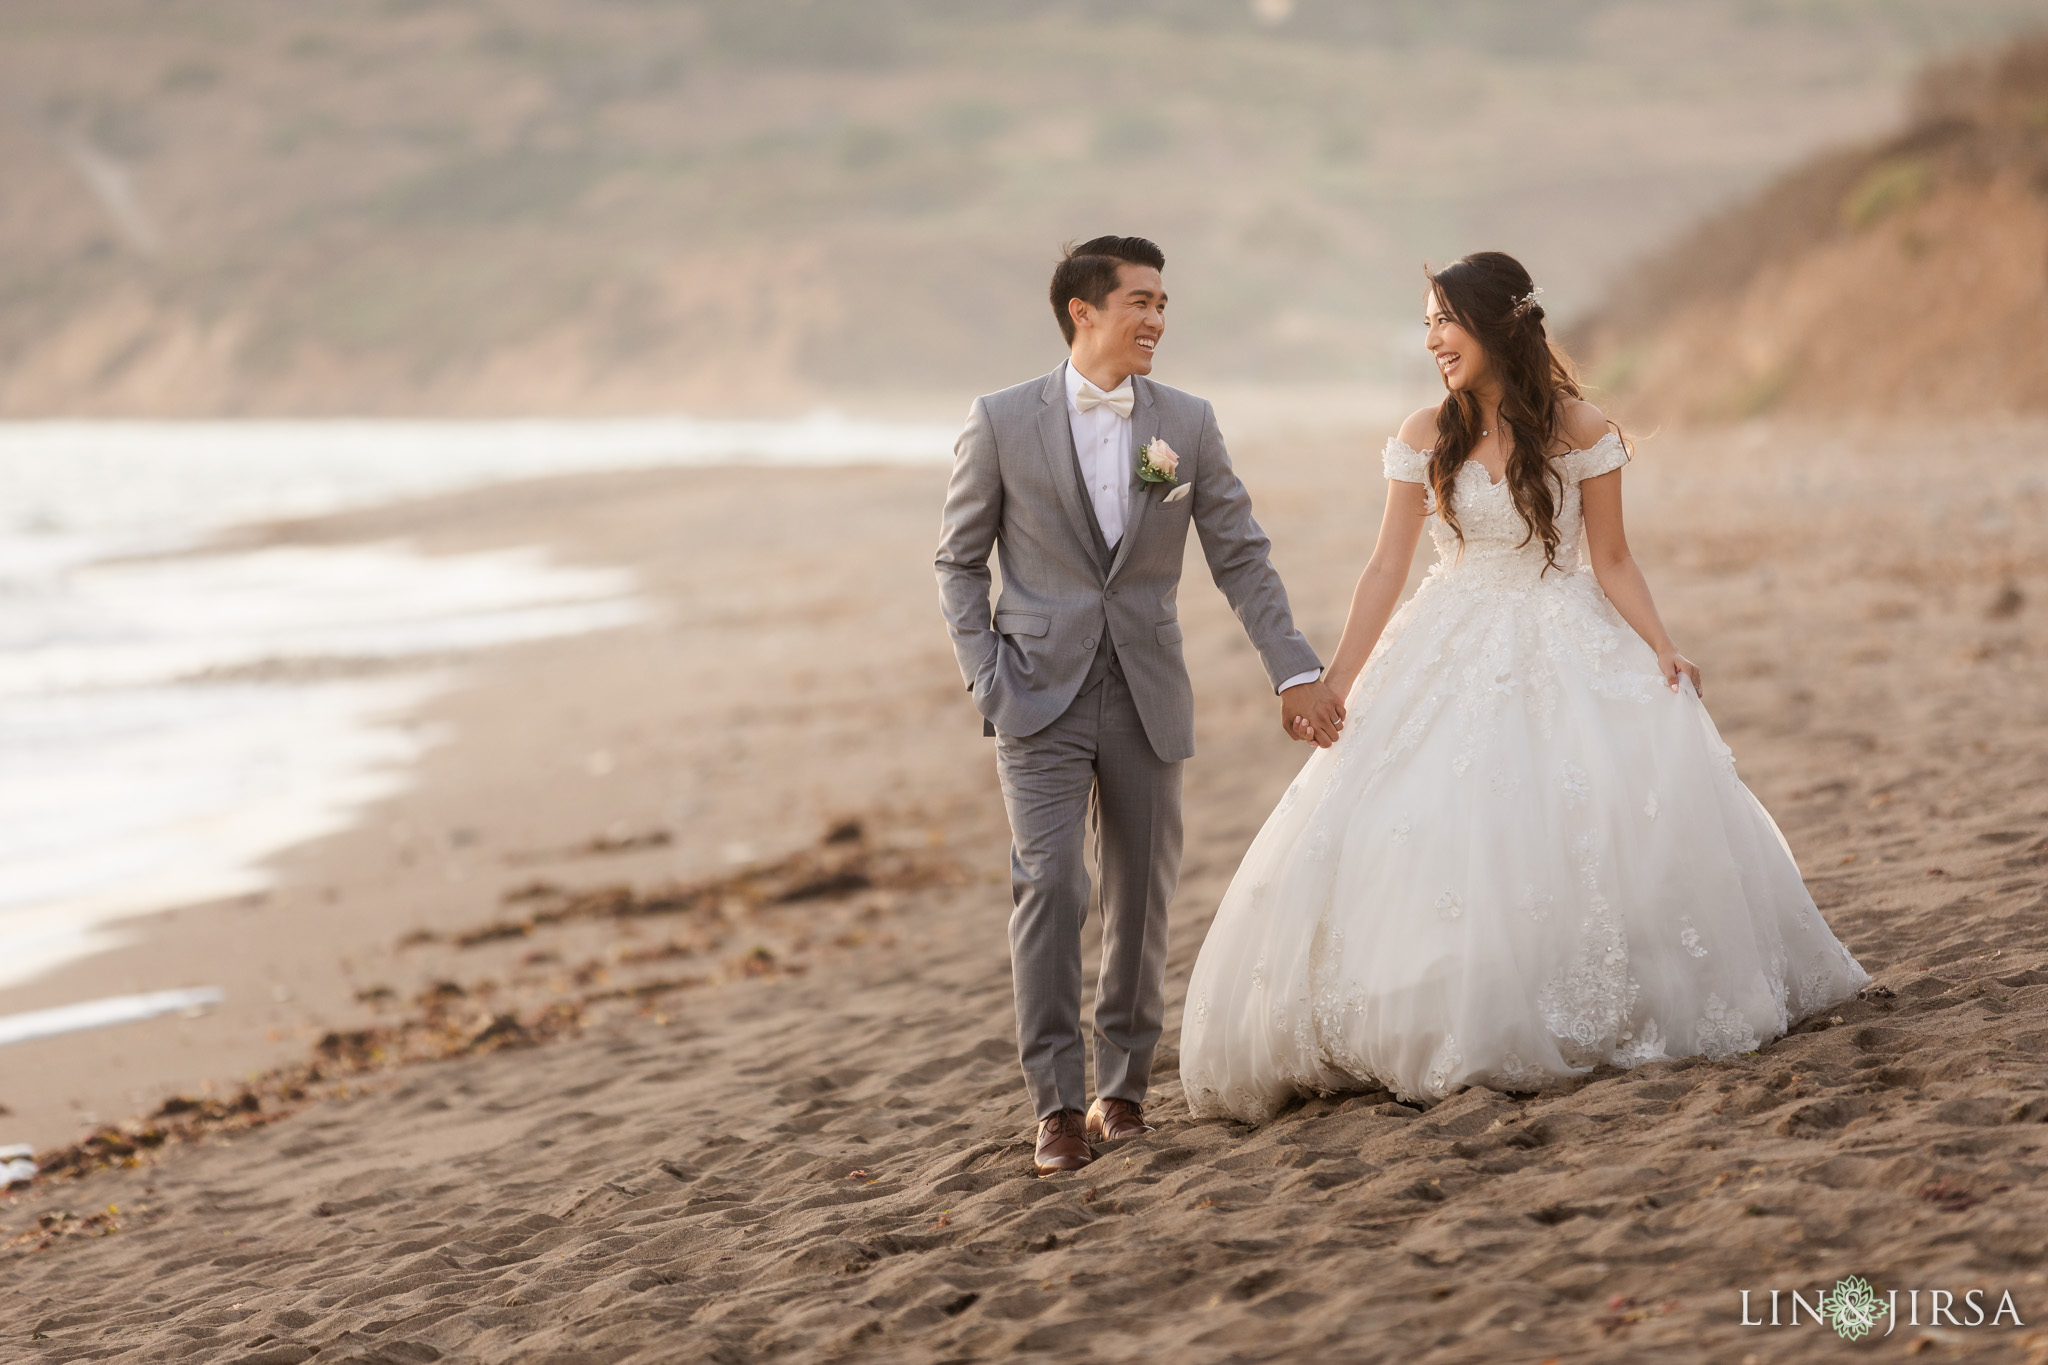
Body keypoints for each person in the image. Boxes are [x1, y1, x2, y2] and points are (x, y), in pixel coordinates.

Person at [1180, 251, 1869, 1121]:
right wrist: (1335, 681)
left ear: (1499, 321)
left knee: (1586, 812)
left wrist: (1663, 645)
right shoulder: (1428, 432)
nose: (1432, 338)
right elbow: (1386, 566)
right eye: (1425, 322)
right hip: (1445, 632)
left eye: (1445, 319)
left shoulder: (1581, 429)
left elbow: (1612, 558)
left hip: (1560, 628)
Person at [935, 235, 1346, 1172]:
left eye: (1164, 302)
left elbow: (1240, 553)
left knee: (1141, 895)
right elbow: (957, 560)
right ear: (1084, 312)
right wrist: (987, 675)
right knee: (1051, 886)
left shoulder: (1186, 424)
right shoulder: (999, 420)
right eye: (1141, 301)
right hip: (1034, 693)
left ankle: (1122, 1091)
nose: (1158, 318)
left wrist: (1293, 669)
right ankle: (1056, 1106)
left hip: (1147, 688)